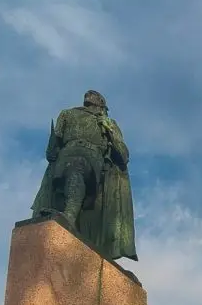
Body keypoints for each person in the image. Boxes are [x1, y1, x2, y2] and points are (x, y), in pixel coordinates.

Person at [30, 89, 137, 262]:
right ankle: (66, 215)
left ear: (101, 107)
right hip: (65, 155)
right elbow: (53, 148)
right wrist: (52, 148)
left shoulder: (108, 123)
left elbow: (124, 155)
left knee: (77, 167)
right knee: (70, 167)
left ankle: (69, 216)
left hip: (92, 158)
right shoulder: (67, 114)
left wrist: (109, 131)